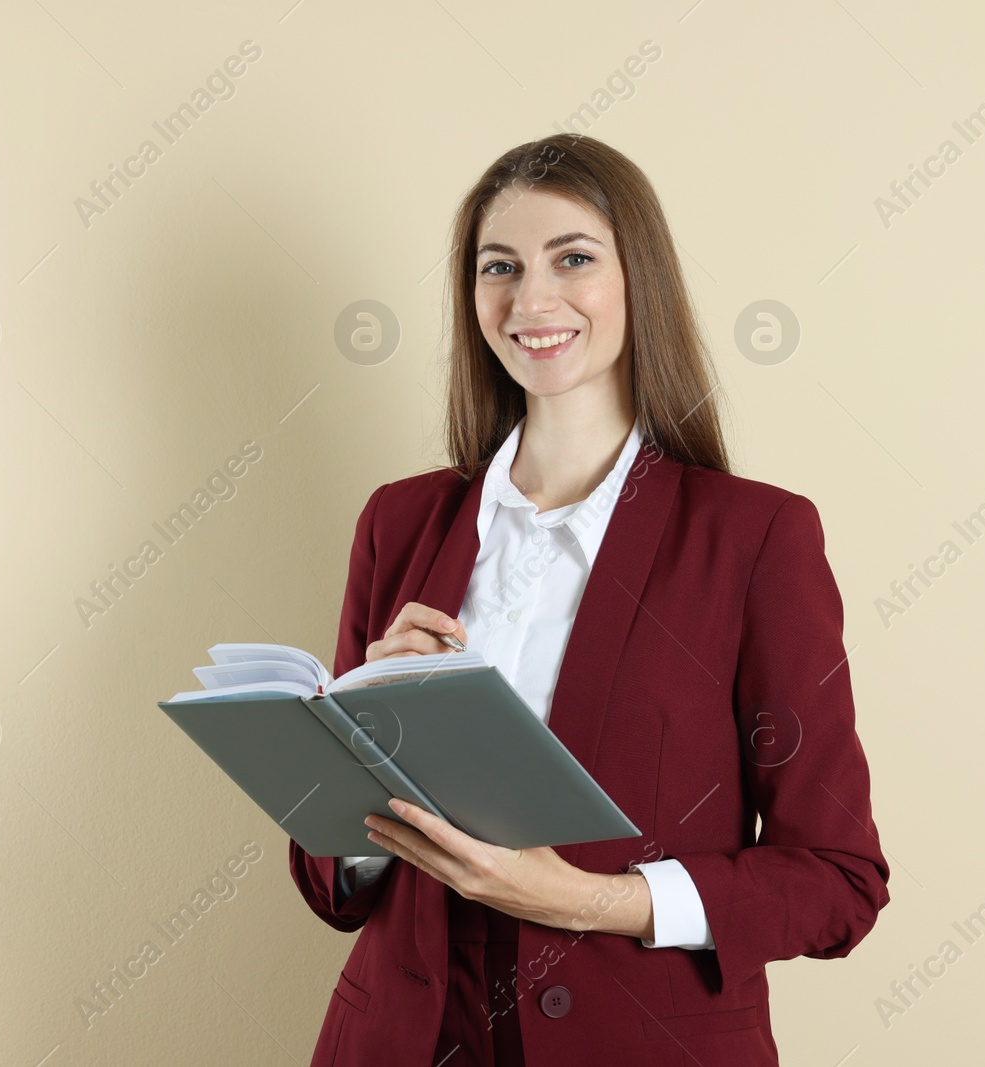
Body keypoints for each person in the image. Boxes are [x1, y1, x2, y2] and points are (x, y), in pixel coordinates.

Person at [288, 134, 889, 1067]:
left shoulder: (754, 538)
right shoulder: (399, 523)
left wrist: (583, 900)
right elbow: (337, 888)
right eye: (501, 267)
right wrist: (361, 734)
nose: (532, 300)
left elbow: (837, 882)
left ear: (636, 279)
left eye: (573, 258)